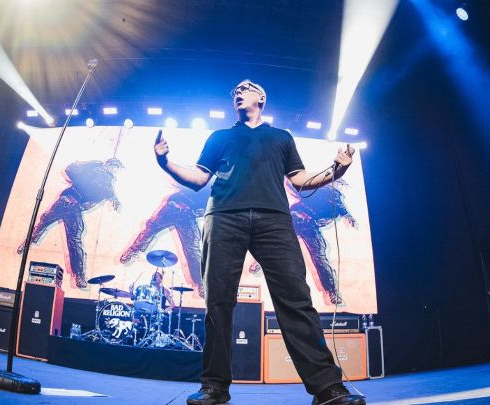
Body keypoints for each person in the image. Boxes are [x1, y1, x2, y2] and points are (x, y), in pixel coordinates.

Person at [155, 79, 365, 405]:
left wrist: (336, 171)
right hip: (224, 217)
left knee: (296, 300)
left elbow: (300, 180)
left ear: (261, 98)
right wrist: (165, 161)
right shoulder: (220, 137)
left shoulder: (281, 137)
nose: (238, 93)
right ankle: (214, 388)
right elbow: (198, 179)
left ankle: (327, 388)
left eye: (245, 88)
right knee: (218, 302)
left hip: (274, 220)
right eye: (234, 91)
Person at [17, 158, 123, 289]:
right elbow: (71, 169)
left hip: (70, 205)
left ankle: (79, 275)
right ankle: (79, 276)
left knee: (57, 231)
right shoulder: (100, 174)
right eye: (115, 168)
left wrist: (114, 198)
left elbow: (106, 190)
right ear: (111, 166)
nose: (115, 172)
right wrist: (95, 165)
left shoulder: (105, 180)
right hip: (68, 203)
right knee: (51, 227)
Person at [120, 187, 210, 297]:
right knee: (151, 228)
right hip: (173, 207)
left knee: (191, 248)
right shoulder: (209, 185)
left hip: (187, 216)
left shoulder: (217, 197)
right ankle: (132, 251)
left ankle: (201, 282)